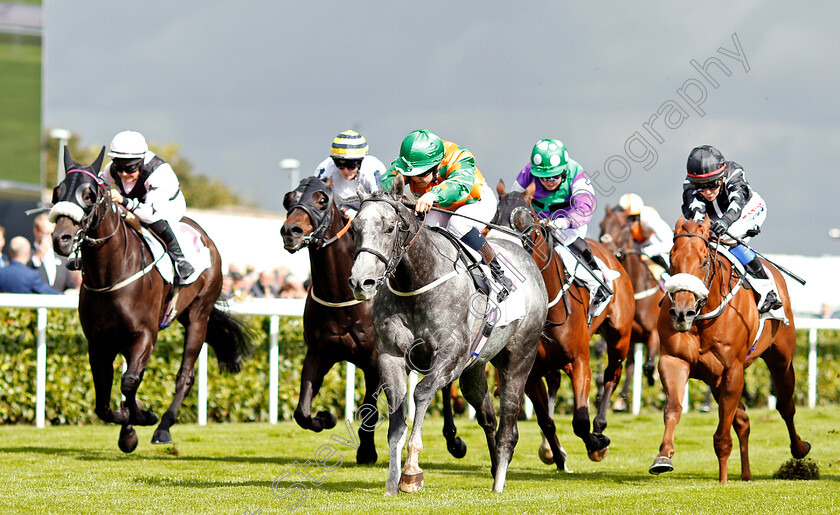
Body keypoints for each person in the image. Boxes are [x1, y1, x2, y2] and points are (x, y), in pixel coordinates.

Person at [380, 129, 512, 301]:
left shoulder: (459, 156)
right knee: (426, 231)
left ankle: (496, 271)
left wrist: (432, 194)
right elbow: (386, 180)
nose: (417, 179)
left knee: (457, 225)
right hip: (441, 206)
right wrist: (398, 194)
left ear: (436, 165)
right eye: (411, 174)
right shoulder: (409, 161)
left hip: (475, 202)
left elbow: (459, 186)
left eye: (422, 173)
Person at [681, 145, 782, 314]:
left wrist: (726, 222)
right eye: (700, 187)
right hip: (714, 215)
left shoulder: (735, 172)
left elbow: (737, 202)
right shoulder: (689, 185)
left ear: (721, 176)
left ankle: (768, 290)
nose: (707, 192)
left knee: (730, 237)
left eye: (713, 184)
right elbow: (696, 212)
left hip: (747, 209)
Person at [510, 139, 610, 307]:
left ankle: (597, 281)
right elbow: (514, 200)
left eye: (554, 176)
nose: (549, 181)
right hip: (537, 222)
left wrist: (564, 222)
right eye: (543, 178)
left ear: (564, 170)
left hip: (568, 223)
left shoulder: (576, 173)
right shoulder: (528, 172)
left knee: (562, 242)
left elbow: (586, 207)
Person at [101, 130, 195, 282]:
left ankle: (180, 260)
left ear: (141, 161)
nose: (124, 174)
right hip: (133, 203)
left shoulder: (159, 172)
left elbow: (151, 214)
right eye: (119, 168)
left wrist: (124, 201)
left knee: (155, 222)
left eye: (130, 168)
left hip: (166, 207)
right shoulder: (111, 168)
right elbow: (98, 185)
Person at [313, 129, 385, 220]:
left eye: (351, 166)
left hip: (370, 217)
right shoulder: (326, 167)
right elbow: (313, 200)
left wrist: (358, 215)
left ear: (360, 162)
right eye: (340, 166)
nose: (346, 171)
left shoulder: (372, 168)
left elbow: (382, 205)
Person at [617, 193, 673, 272]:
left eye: (633, 218)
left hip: (654, 247)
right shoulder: (620, 224)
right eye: (627, 219)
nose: (630, 223)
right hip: (636, 249)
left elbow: (669, 243)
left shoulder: (649, 218)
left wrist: (649, 251)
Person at [29, 213, 73, 292]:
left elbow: (70, 284)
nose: (49, 237)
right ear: (36, 231)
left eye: (51, 233)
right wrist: (37, 257)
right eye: (45, 233)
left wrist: (72, 291)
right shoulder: (28, 254)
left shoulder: (62, 257)